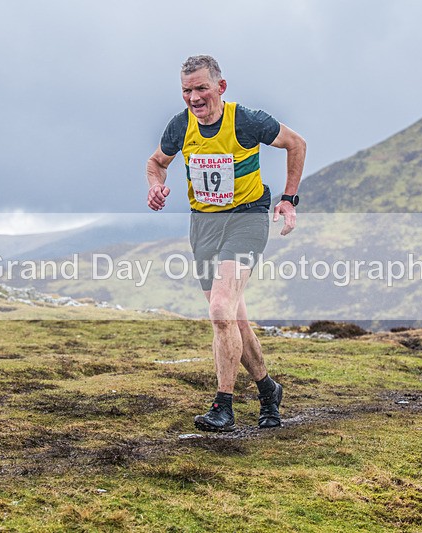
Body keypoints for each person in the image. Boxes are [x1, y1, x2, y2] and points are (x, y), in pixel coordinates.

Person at [146, 55, 306, 431]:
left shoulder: (245, 120)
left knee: (219, 309)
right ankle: (268, 391)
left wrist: (289, 199)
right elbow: (156, 162)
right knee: (233, 318)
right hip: (204, 225)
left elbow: (296, 144)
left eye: (201, 88)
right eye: (187, 90)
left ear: (221, 87)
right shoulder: (180, 126)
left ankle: (224, 407)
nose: (194, 98)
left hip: (246, 218)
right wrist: (155, 187)